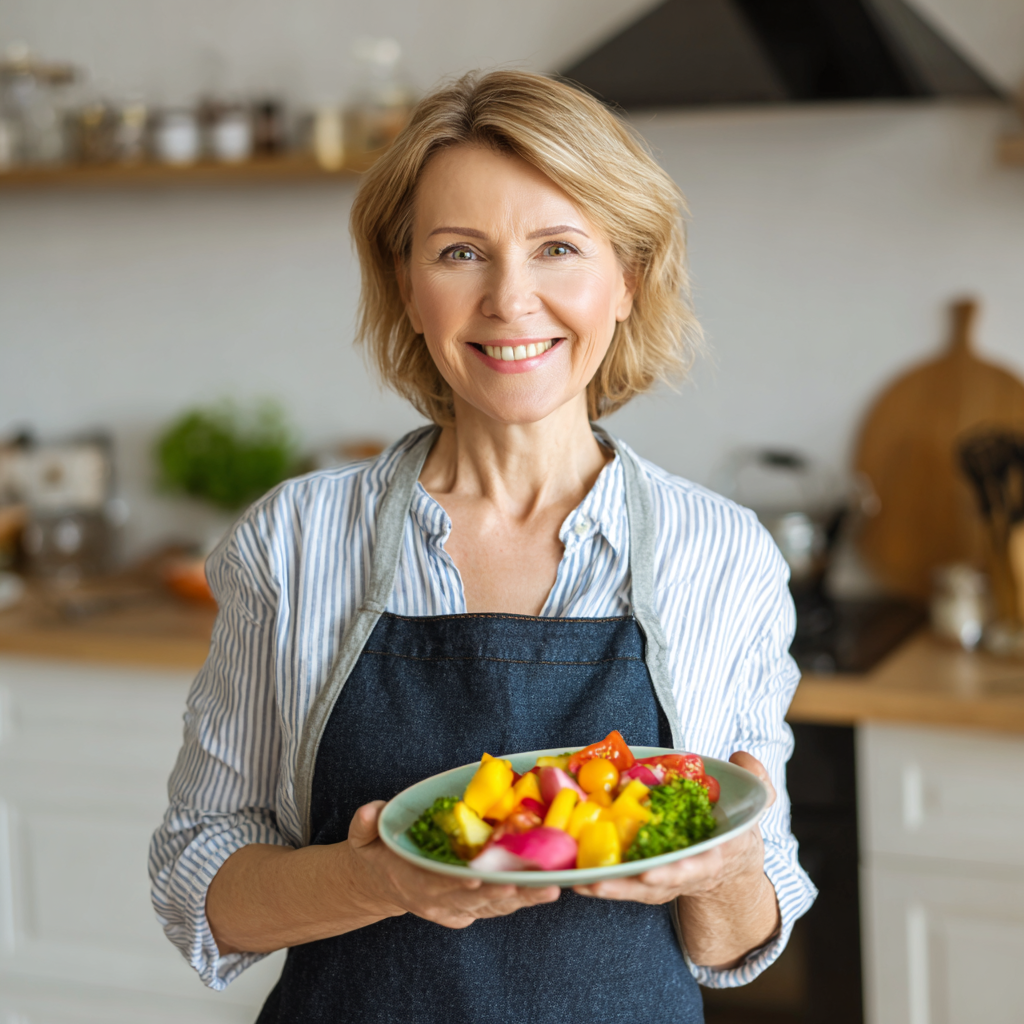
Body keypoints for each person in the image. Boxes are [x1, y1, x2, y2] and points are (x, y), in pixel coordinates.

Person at [150, 69, 815, 1023]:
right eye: (461, 252)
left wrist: (729, 869)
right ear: (407, 286)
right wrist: (377, 881)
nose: (511, 299)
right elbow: (200, 888)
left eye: (557, 248)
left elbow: (736, 942)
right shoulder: (297, 541)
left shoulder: (722, 551)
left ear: (625, 279)